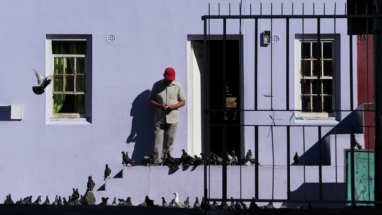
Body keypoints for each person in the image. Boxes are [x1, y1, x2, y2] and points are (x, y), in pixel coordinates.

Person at [148, 67, 186, 164]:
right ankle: (156, 161)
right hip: (159, 118)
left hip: (172, 118)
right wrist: (160, 106)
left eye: (171, 78)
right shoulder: (157, 85)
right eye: (168, 78)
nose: (170, 80)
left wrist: (173, 107)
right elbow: (150, 100)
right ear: (164, 75)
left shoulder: (178, 86)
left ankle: (166, 161)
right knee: (157, 141)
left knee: (170, 141)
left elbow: (182, 102)